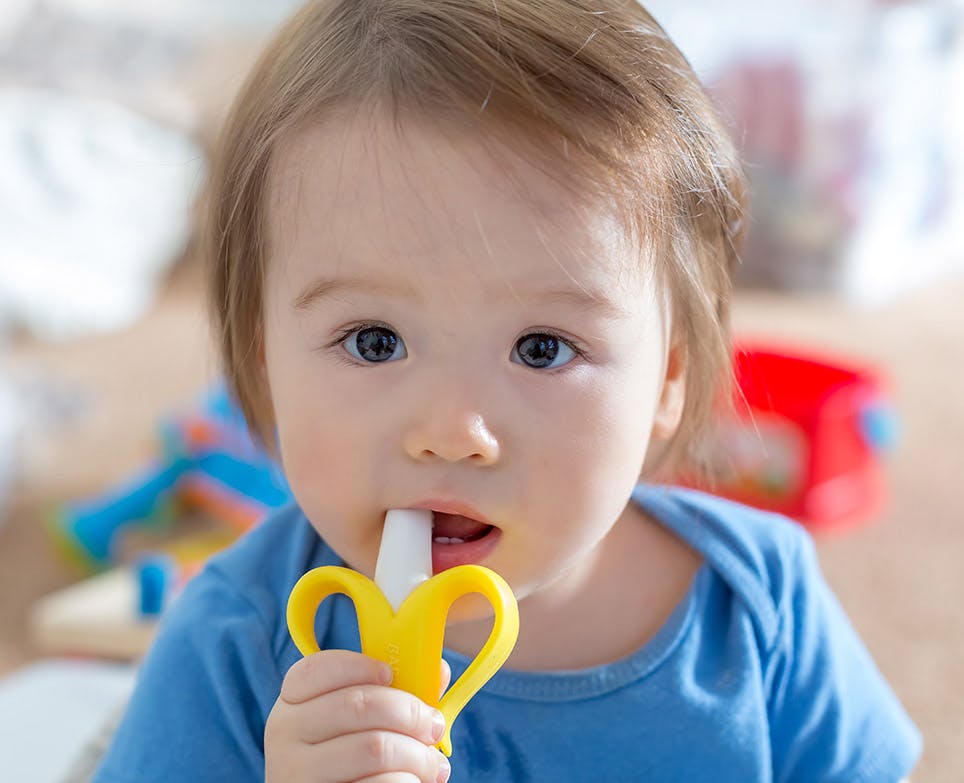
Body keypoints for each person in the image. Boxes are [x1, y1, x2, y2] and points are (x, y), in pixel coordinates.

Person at [93, 1, 921, 781]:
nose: (452, 432)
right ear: (264, 359)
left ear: (667, 377)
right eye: (374, 342)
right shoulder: (233, 644)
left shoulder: (759, 602)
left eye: (543, 347)